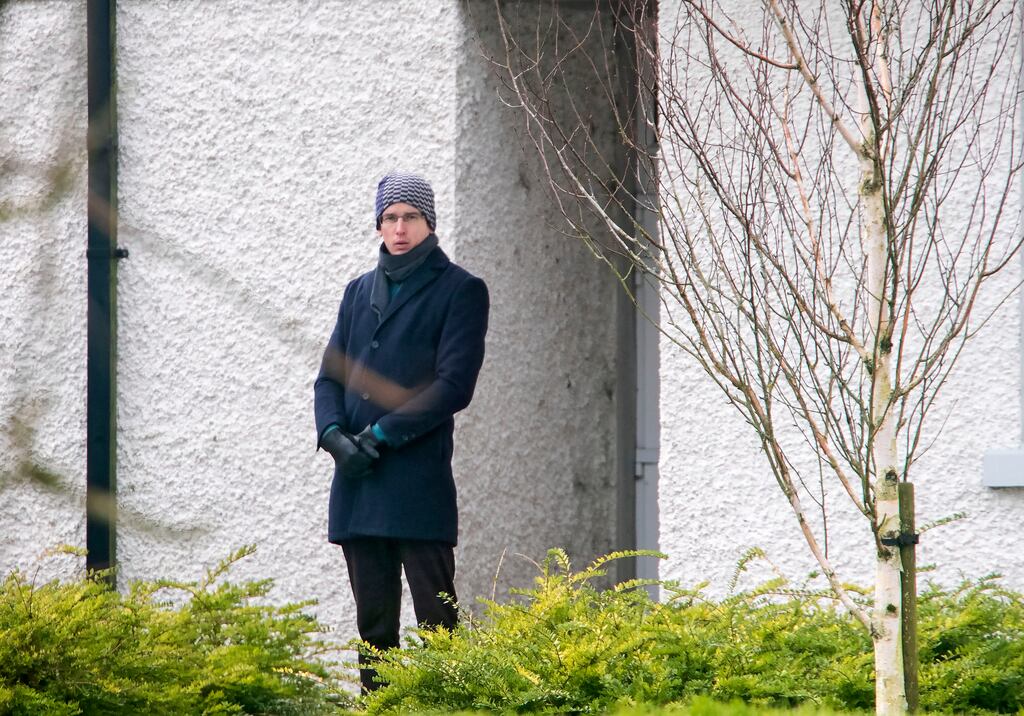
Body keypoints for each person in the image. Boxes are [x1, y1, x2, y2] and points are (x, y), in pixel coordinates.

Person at [313, 172, 489, 692]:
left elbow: (453, 386)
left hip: (416, 486)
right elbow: (329, 377)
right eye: (390, 217)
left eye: (410, 216)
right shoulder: (356, 292)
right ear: (379, 226)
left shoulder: (461, 290)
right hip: (358, 484)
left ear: (429, 222)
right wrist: (333, 436)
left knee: (438, 627)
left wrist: (382, 435)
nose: (400, 227)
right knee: (374, 633)